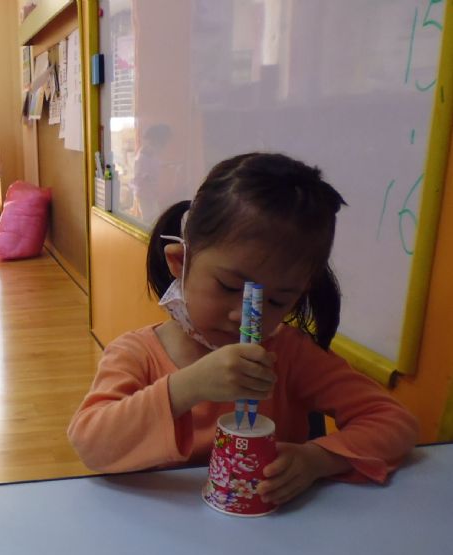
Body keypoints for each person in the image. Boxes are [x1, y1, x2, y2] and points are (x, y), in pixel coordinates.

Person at [67, 152, 418, 506]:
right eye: (229, 287)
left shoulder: (290, 355)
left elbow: (394, 422)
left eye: (277, 301)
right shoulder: (136, 354)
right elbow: (91, 445)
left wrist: (317, 460)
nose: (245, 315)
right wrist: (188, 387)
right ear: (179, 262)